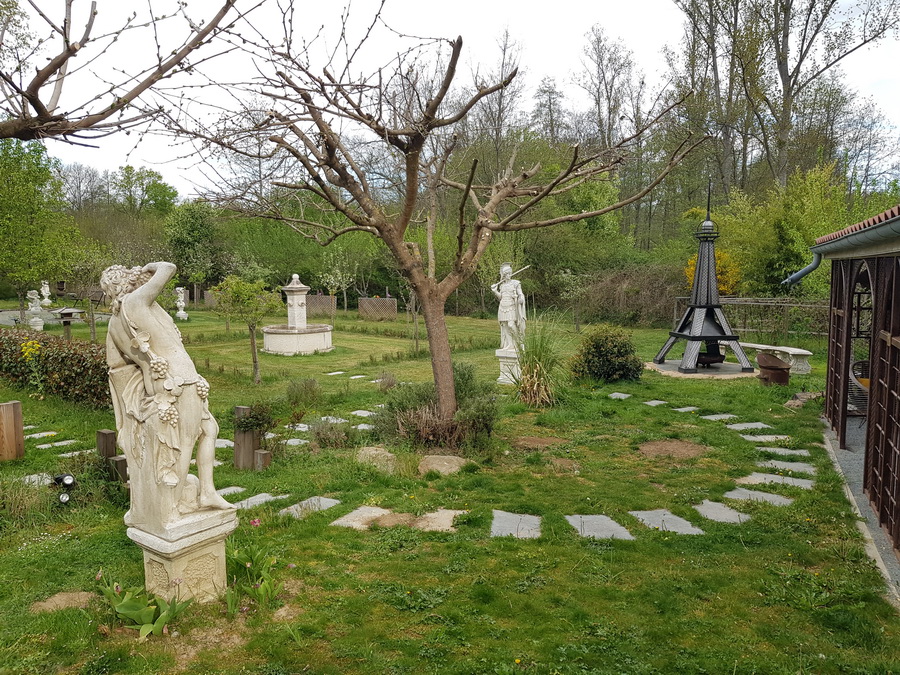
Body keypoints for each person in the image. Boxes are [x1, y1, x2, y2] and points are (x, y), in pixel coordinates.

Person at [101, 262, 232, 529]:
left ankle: (206, 490)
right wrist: (151, 267)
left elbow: (116, 366)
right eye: (130, 274)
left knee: (209, 428)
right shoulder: (135, 302)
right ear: (126, 282)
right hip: (179, 379)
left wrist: (147, 368)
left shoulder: (114, 322)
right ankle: (171, 509)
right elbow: (169, 267)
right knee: (182, 444)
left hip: (166, 382)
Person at [490, 263, 526, 350]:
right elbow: (501, 297)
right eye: (506, 274)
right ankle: (510, 344)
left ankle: (519, 342)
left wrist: (521, 298)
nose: (508, 275)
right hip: (502, 306)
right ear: (503, 275)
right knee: (505, 325)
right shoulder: (502, 285)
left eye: (510, 273)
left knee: (511, 324)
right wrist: (495, 291)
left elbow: (520, 293)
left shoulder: (516, 283)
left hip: (511, 306)